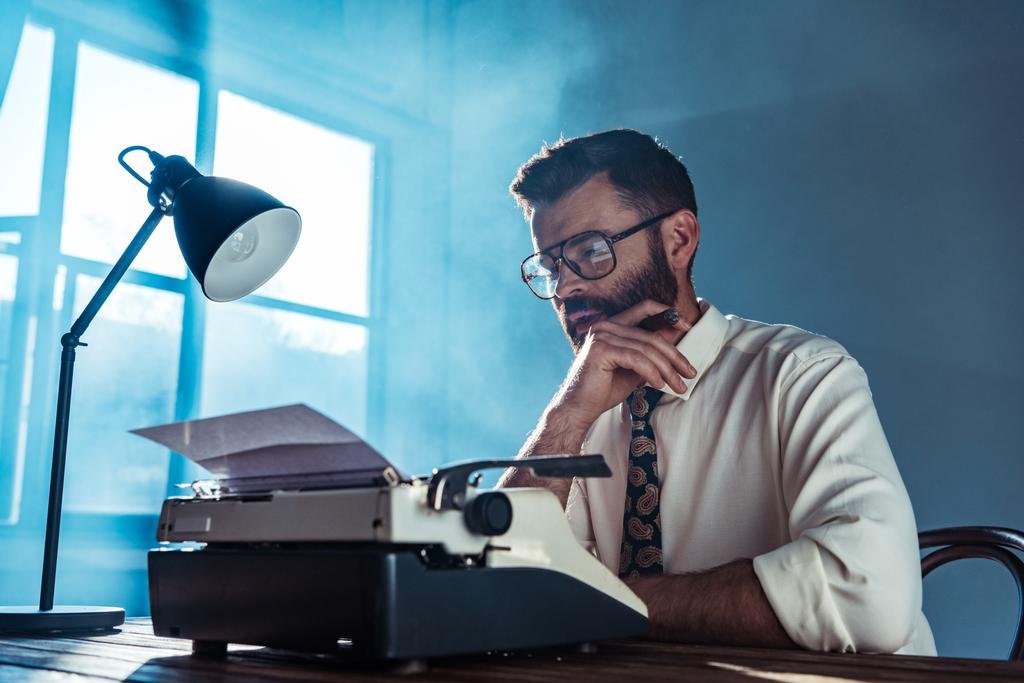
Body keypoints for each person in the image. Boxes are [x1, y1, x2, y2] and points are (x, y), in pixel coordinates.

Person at [496, 129, 936, 655]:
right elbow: (498, 596)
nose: (566, 287)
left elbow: (867, 599)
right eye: (550, 266)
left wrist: (604, 604)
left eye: (591, 251)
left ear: (679, 240)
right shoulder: (586, 409)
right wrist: (566, 416)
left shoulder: (802, 372)